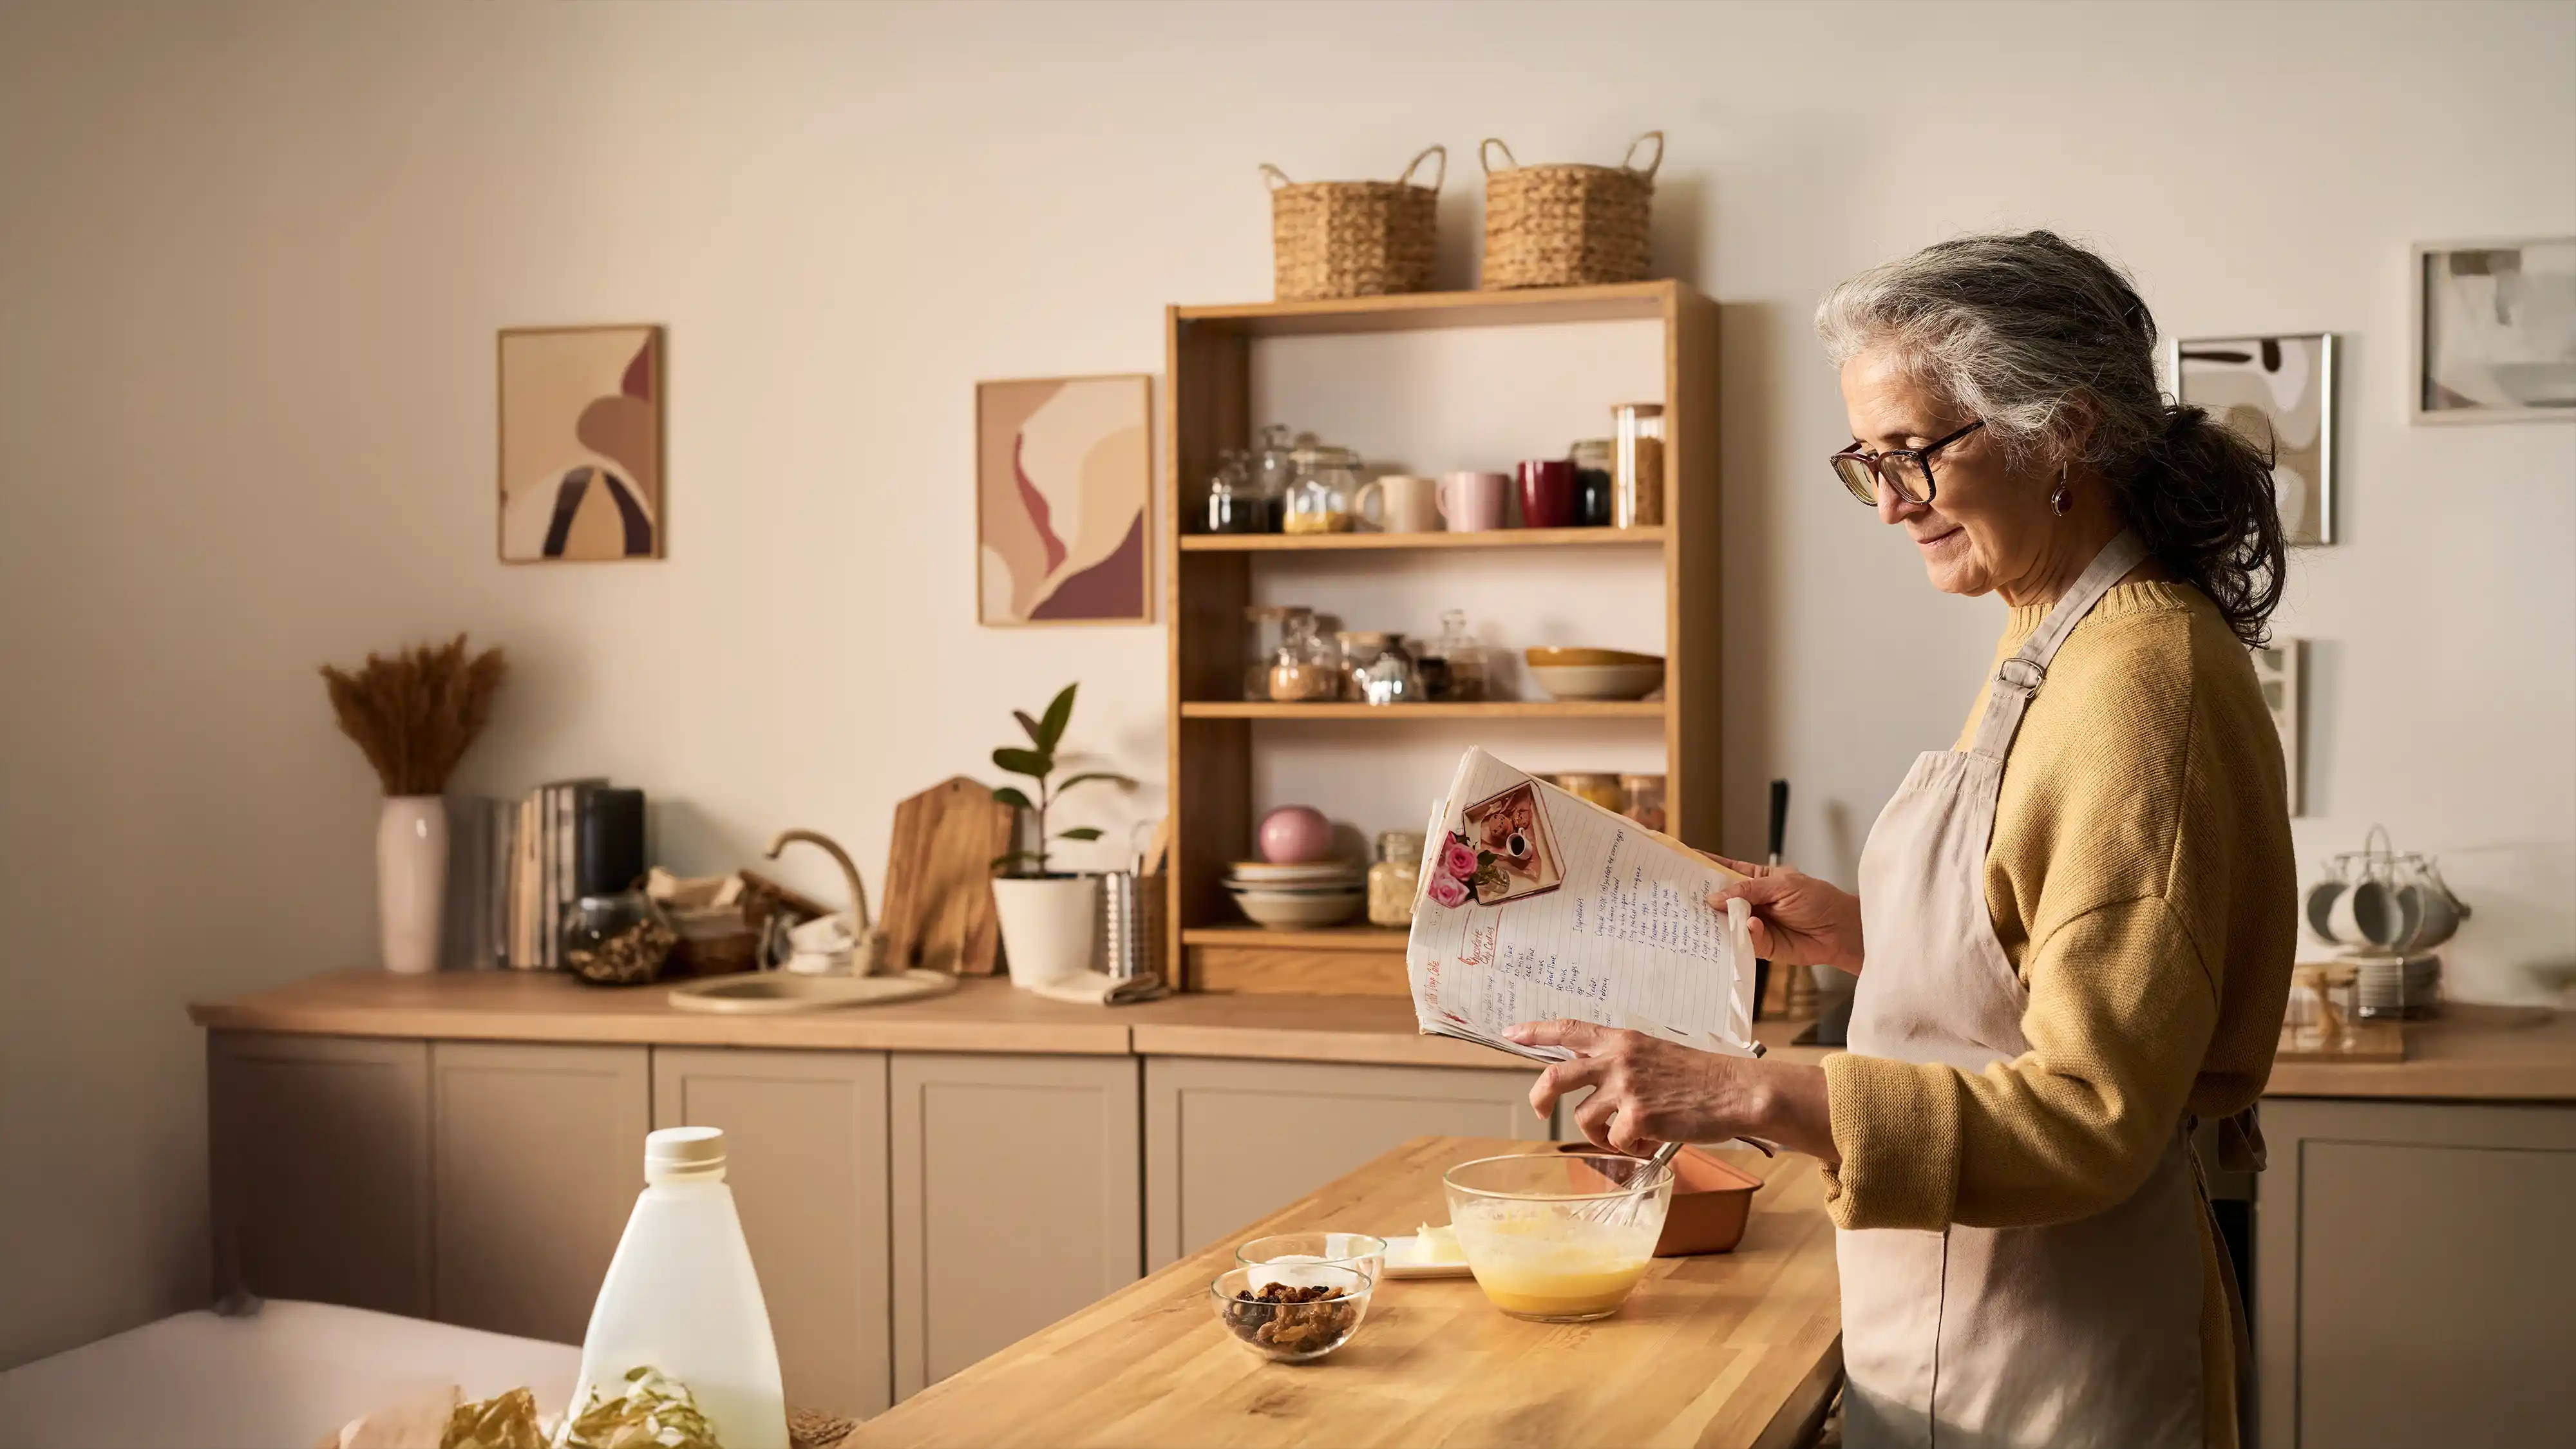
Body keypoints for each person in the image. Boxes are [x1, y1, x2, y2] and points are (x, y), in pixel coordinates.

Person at [1513, 231, 2297, 1449]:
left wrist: (1738, 1089)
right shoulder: (2056, 632)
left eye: (1917, 453)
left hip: (2057, 1374)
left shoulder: (2144, 684)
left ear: (2067, 432)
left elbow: (2091, 1110)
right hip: (1964, 1341)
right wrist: (1873, 939)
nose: (1886, 503)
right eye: (1867, 460)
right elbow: (2045, 967)